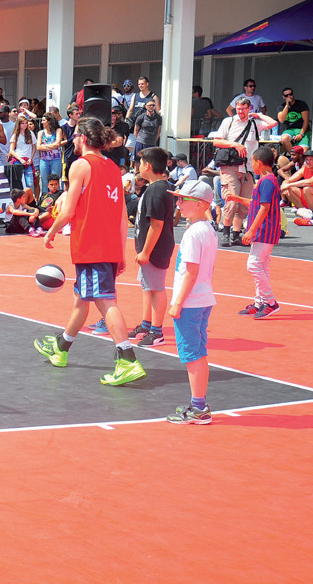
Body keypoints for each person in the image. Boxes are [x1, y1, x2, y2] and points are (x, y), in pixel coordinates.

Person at [34, 116, 146, 387]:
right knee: (81, 300)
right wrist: (120, 253)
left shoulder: (80, 165)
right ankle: (61, 347)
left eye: (74, 136)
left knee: (105, 302)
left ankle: (127, 358)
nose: (72, 139)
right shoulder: (112, 168)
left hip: (90, 246)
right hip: (107, 246)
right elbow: (122, 218)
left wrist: (50, 230)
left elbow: (69, 210)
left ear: (83, 138)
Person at [166, 179, 219, 424]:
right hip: (203, 298)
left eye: (183, 199)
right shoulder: (207, 229)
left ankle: (199, 407)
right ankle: (198, 403)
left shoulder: (193, 233)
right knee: (198, 353)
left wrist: (177, 302)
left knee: (192, 355)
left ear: (199, 204)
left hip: (191, 302)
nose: (179, 204)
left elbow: (191, 272)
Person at [209, 97, 278, 246]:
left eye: (243, 108)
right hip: (230, 166)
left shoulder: (255, 123)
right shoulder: (229, 122)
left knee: (244, 204)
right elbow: (216, 141)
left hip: (248, 169)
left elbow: (273, 123)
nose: (240, 111)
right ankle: (226, 233)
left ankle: (236, 234)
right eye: (238, 108)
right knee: (231, 200)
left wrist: (258, 115)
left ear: (249, 108)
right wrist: (234, 145)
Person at [223, 145, 283, 319]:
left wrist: (251, 231)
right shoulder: (267, 181)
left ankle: (270, 301)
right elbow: (256, 203)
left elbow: (264, 209)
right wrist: (238, 198)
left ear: (258, 162)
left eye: (252, 162)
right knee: (262, 266)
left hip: (265, 231)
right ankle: (259, 302)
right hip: (265, 232)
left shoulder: (267, 181)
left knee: (254, 265)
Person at [131, 147, 176, 348]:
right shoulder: (155, 188)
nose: (139, 167)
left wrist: (146, 252)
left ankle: (157, 332)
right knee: (147, 287)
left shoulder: (157, 190)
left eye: (140, 164)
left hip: (155, 250)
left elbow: (156, 225)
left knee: (156, 288)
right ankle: (146, 323)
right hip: (150, 248)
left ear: (147, 166)